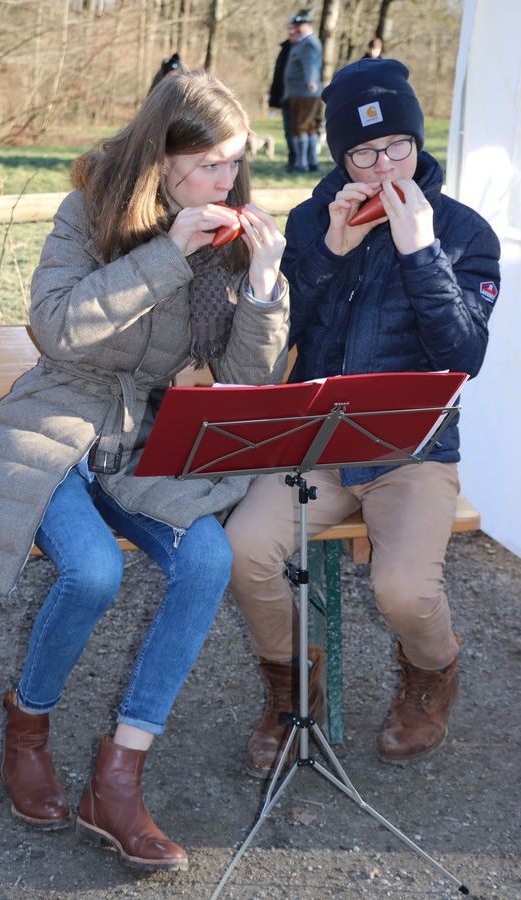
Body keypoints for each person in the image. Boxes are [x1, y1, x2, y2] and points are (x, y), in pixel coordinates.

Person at [0, 71, 289, 871]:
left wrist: (264, 291)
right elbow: (58, 328)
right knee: (92, 572)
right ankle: (26, 726)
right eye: (209, 165)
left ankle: (119, 776)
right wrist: (168, 254)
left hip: (140, 441)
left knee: (207, 557)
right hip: (56, 424)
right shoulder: (86, 211)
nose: (225, 182)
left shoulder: (227, 244)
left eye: (233, 164)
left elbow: (241, 383)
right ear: (162, 160)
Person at [225, 57, 500, 777]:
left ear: (419, 142)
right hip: (315, 444)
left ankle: (432, 668)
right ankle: (294, 685)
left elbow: (464, 353)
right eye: (364, 153)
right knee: (243, 548)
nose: (383, 167)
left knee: (403, 592)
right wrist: (326, 256)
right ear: (340, 155)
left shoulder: (465, 232)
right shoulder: (314, 219)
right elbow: (278, 337)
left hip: (413, 450)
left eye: (397, 147)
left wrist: (422, 254)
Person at [283, 9, 323, 173]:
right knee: (308, 128)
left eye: (300, 25)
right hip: (300, 92)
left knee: (301, 128)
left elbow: (310, 64)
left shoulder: (309, 44)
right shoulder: (301, 42)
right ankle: (311, 161)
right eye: (296, 25)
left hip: (304, 92)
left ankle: (302, 163)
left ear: (308, 25)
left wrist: (311, 80)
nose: (297, 28)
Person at [268, 20, 299, 171]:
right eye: (290, 30)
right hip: (285, 97)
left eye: (295, 30)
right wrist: (274, 97)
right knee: (288, 131)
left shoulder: (302, 49)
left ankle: (298, 162)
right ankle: (293, 160)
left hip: (298, 97)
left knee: (297, 131)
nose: (292, 33)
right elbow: (278, 74)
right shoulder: (285, 48)